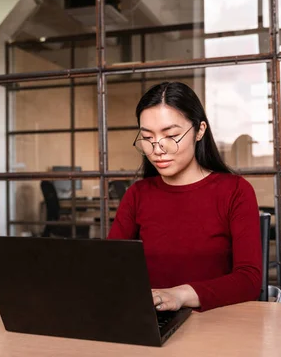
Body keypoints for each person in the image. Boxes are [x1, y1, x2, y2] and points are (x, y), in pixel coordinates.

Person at [107, 81, 262, 312]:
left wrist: (180, 295)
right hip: (150, 322)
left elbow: (249, 280)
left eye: (171, 135)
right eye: (148, 138)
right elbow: (109, 267)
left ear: (199, 131)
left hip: (217, 325)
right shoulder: (137, 194)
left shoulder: (235, 191)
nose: (158, 149)